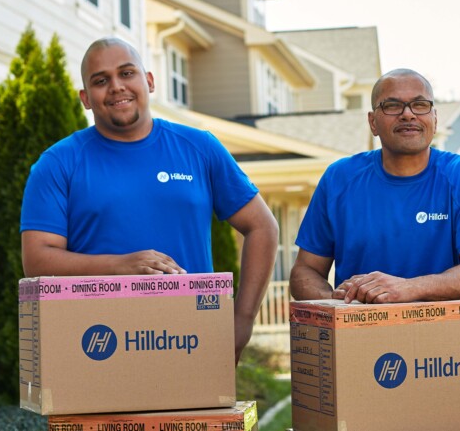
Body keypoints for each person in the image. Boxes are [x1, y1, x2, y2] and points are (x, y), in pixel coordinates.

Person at [21, 37, 278, 362]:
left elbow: (262, 228)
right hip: (97, 346)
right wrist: (120, 265)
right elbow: (37, 259)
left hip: (193, 341)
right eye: (101, 81)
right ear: (86, 98)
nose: (116, 87)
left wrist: (242, 319)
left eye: (127, 73)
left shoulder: (199, 148)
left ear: (150, 81)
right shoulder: (58, 163)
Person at [289, 68, 460, 304]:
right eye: (392, 105)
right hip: (360, 335)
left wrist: (408, 289)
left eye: (420, 105)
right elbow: (304, 272)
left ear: (434, 118)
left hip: (445, 336)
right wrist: (337, 302)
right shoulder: (339, 179)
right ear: (373, 122)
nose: (408, 114)